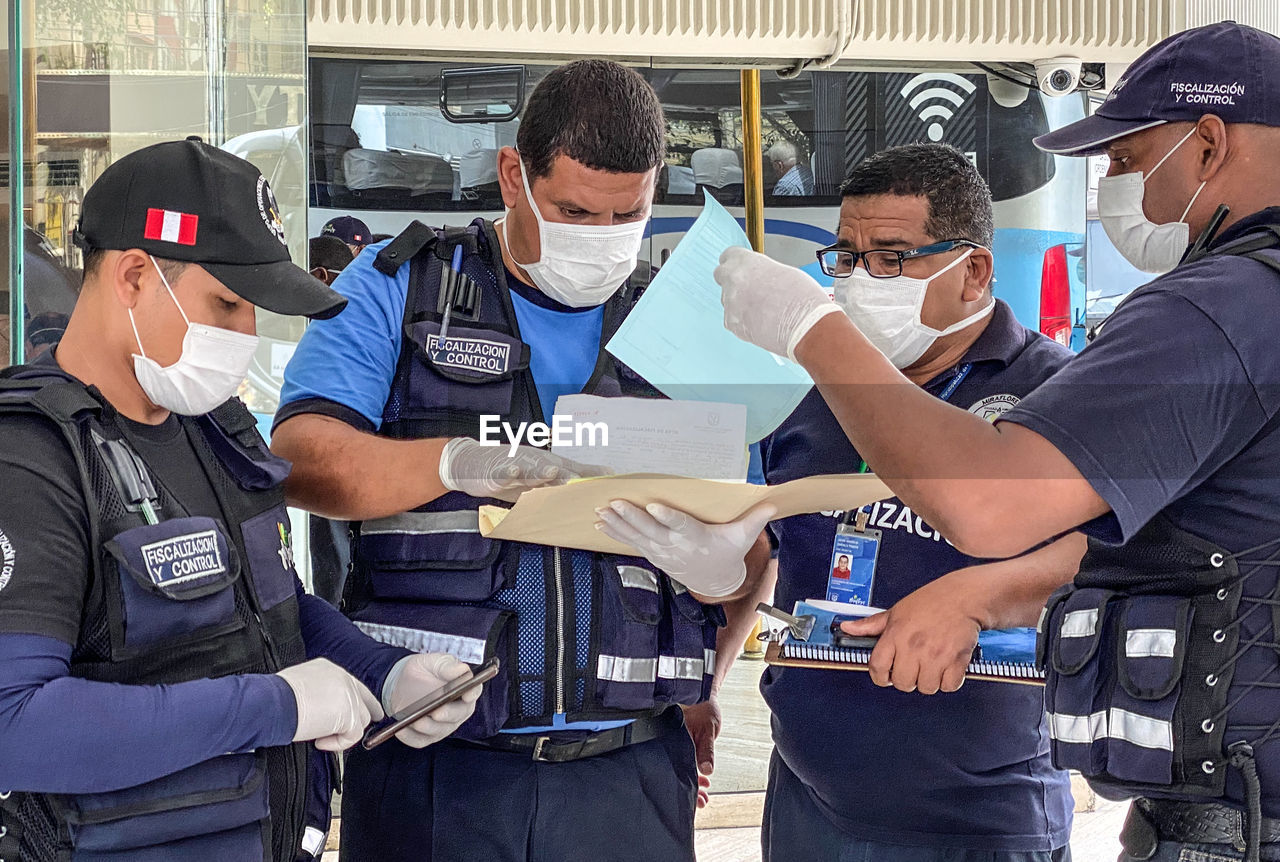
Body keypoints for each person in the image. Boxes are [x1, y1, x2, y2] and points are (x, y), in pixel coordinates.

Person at [714, 22, 1280, 862]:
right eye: (848, 258)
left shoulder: (1220, 307)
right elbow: (1185, 542)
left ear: (1206, 144)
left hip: (1180, 815)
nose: (1114, 190)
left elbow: (989, 505)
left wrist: (812, 327)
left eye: (1126, 161)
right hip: (818, 793)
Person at [269, 60, 773, 862]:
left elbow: (752, 539)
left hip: (631, 771)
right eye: (574, 209)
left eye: (626, 214)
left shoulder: (677, 325)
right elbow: (299, 460)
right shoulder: (402, 286)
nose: (600, 238)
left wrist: (724, 590)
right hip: (438, 764)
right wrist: (453, 462)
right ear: (513, 175)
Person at [0, 139, 478, 862]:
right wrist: (275, 707)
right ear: (133, 276)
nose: (244, 337)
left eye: (252, 310)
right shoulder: (31, 459)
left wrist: (382, 672)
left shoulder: (215, 432)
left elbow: (270, 604)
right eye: (225, 303)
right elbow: (17, 727)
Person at [598, 143, 1079, 862]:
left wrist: (977, 602)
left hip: (980, 811)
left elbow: (1101, 561)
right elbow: (767, 550)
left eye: (892, 257)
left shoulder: (1054, 391)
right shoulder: (811, 387)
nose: (863, 280)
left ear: (973, 270)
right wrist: (707, 682)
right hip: (809, 800)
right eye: (848, 258)